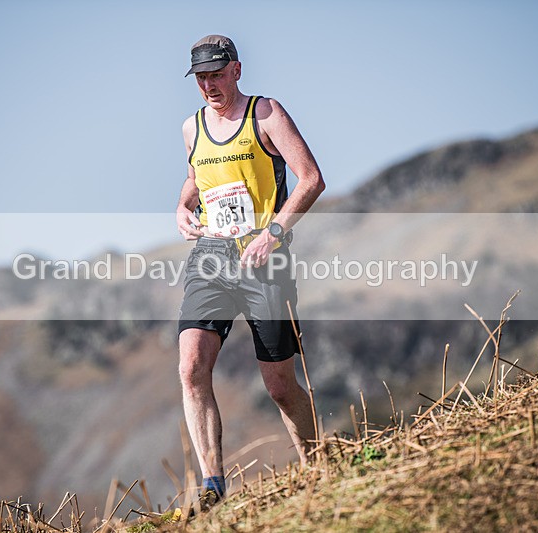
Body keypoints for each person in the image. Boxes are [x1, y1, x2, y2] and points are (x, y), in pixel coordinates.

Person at [175, 34, 325, 507]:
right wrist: (181, 207)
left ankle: (319, 470)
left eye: (217, 75)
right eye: (201, 78)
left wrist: (273, 233)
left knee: (279, 386)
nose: (209, 86)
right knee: (191, 366)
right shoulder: (191, 127)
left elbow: (311, 178)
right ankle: (212, 487)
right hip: (211, 258)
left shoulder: (266, 114)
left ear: (236, 70)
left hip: (265, 259)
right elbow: (197, 177)